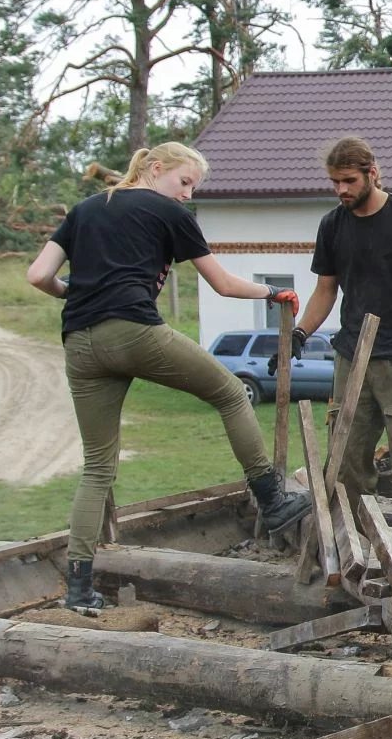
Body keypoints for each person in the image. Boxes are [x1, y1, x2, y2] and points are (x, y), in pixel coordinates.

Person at [26, 142, 311, 612]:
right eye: (184, 182)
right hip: (134, 332)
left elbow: (39, 276)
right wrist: (273, 290)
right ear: (156, 169)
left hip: (80, 343)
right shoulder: (168, 212)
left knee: (98, 466)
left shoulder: (83, 210)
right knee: (231, 394)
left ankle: (78, 588)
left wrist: (74, 293)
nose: (186, 194)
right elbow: (221, 283)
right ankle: (273, 501)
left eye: (193, 188)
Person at [291, 137, 392, 563]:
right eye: (335, 182)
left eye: (349, 180)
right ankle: (353, 542)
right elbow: (325, 289)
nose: (341, 190)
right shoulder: (332, 224)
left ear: (372, 173)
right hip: (351, 355)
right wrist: (300, 333)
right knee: (347, 458)